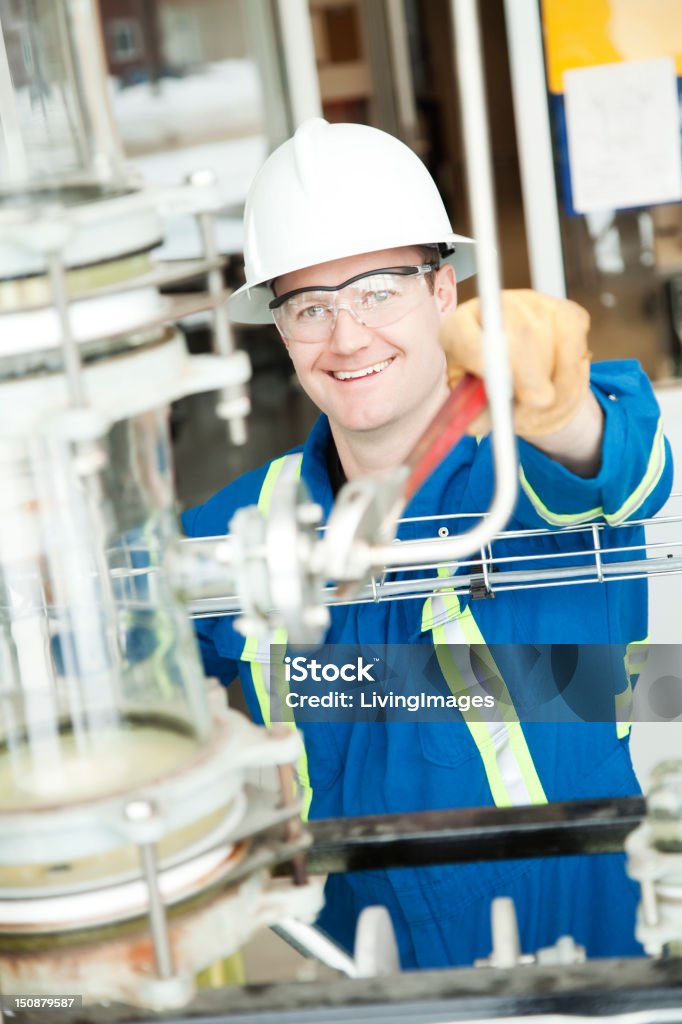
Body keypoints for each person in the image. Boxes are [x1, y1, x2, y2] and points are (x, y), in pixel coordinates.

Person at [182, 119, 672, 968]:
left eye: (378, 291)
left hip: (588, 963)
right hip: (360, 976)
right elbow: (119, 665)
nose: (347, 337)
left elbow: (619, 472)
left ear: (442, 292)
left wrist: (559, 413)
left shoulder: (533, 474)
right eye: (311, 306)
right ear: (280, 326)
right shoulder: (238, 528)